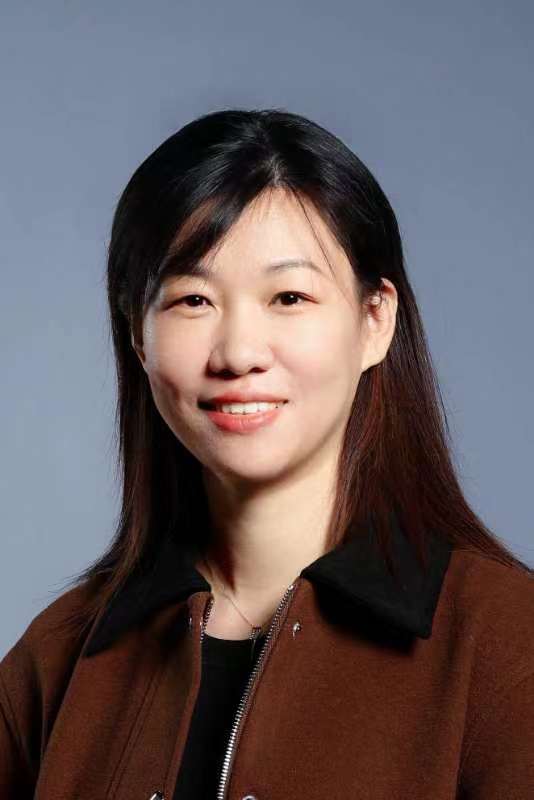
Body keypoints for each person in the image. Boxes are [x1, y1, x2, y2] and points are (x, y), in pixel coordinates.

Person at [1, 107, 533, 799]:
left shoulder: (505, 643)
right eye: (193, 300)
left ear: (375, 320)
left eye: (289, 296)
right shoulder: (59, 657)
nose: (238, 353)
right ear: (137, 335)